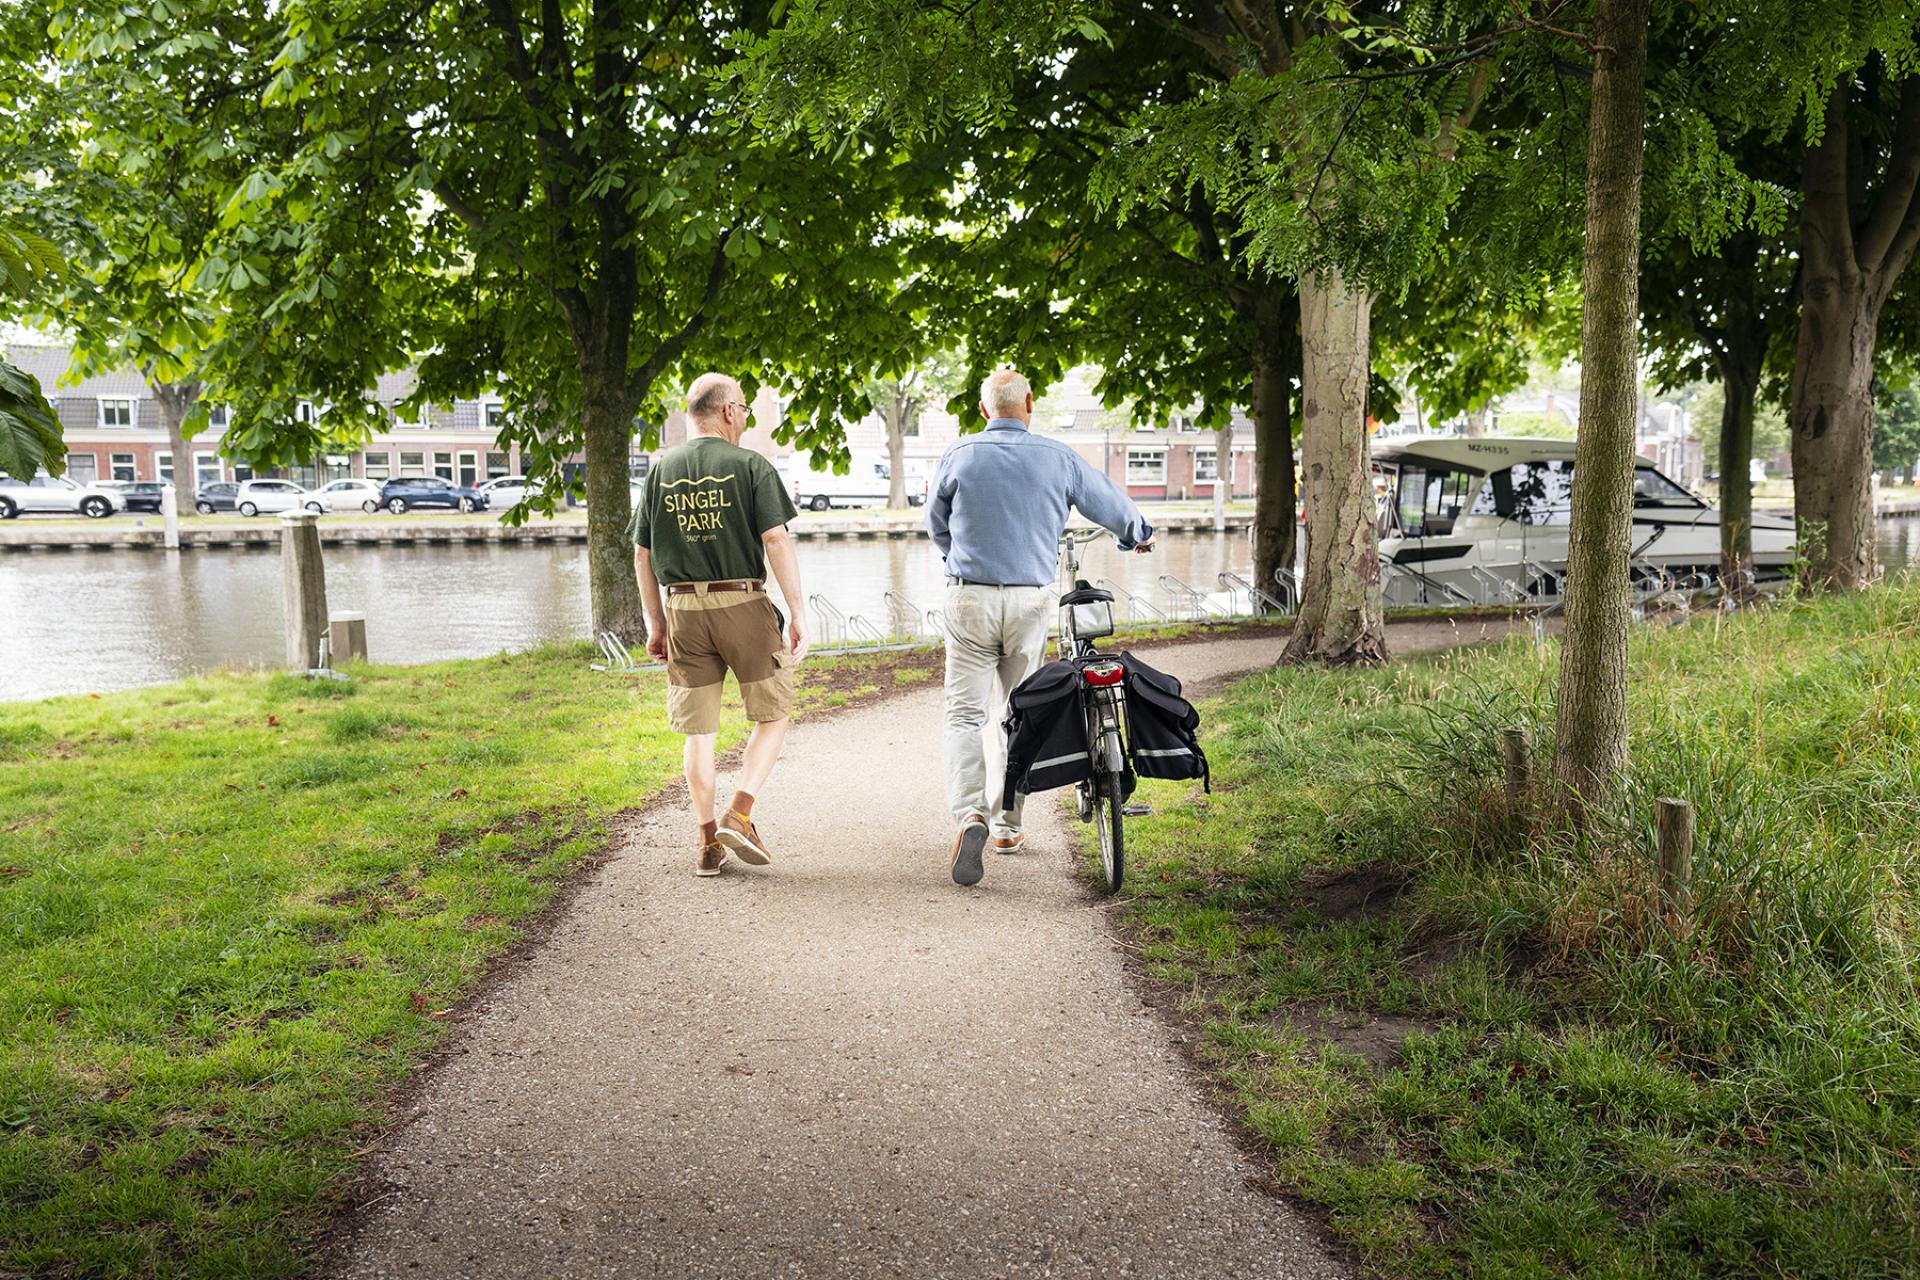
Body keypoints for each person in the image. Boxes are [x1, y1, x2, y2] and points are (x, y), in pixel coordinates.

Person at [928, 367, 1154, 887]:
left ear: (985, 410)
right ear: (1029, 404)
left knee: (964, 715)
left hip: (969, 598)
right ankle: (1007, 824)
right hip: (1031, 601)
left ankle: (970, 816)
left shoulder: (959, 456)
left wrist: (960, 558)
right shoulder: (1058, 458)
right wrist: (1136, 534)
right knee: (1018, 712)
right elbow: (1112, 505)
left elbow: (936, 526)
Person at [632, 372, 809, 877]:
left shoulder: (660, 472)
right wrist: (798, 612)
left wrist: (657, 623)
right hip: (743, 605)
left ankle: (708, 843)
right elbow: (775, 540)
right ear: (729, 411)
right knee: (773, 713)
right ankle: (741, 814)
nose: (746, 418)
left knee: (699, 733)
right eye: (746, 410)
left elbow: (642, 554)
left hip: (684, 610)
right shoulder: (751, 465)